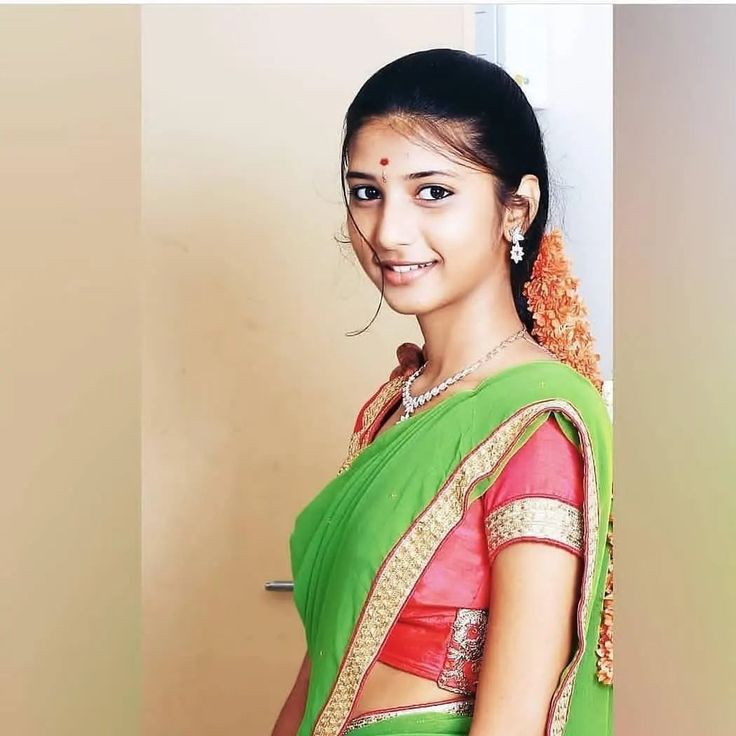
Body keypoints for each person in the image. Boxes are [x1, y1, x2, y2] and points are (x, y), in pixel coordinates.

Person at [272, 49, 613, 736]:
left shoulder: (535, 426)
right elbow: (326, 662)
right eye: (366, 191)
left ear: (516, 208)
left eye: (433, 192)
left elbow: (515, 721)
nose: (388, 233)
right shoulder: (400, 402)